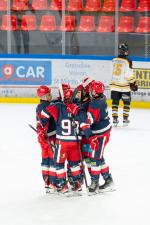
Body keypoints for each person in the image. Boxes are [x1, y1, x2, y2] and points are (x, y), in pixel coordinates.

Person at [110, 43, 138, 126]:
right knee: (126, 102)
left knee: (115, 102)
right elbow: (128, 75)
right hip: (124, 87)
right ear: (125, 51)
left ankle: (115, 119)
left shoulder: (113, 60)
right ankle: (125, 119)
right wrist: (133, 83)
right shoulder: (128, 61)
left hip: (114, 85)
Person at [36, 85, 57, 194]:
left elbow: (39, 123)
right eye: (49, 94)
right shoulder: (49, 107)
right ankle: (54, 183)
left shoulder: (39, 106)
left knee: (45, 160)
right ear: (44, 96)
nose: (51, 95)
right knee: (53, 159)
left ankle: (47, 183)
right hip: (50, 137)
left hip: (42, 138)